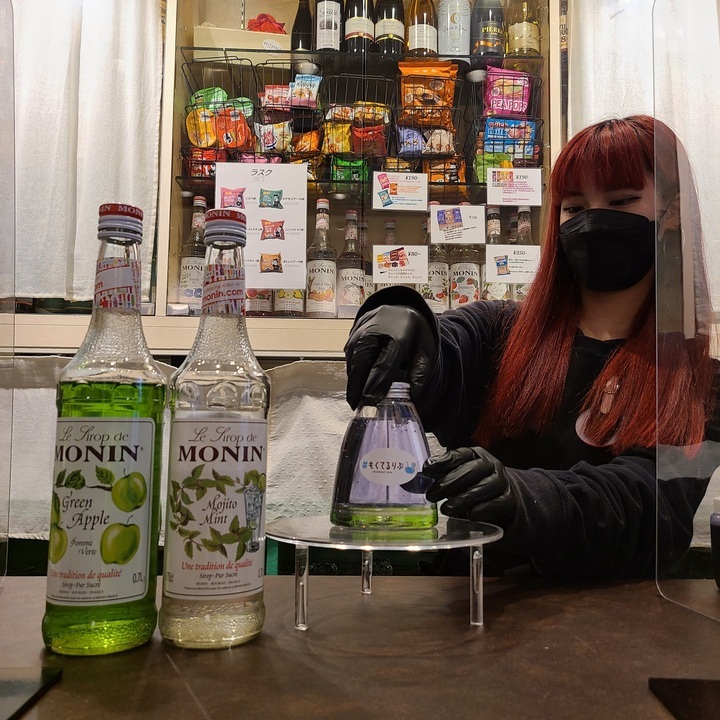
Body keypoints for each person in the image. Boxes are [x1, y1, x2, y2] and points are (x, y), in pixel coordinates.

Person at [344, 115, 719, 580]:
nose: (592, 221)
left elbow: (650, 511)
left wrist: (527, 499)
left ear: (673, 211)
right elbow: (444, 348)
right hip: (471, 603)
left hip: (616, 618)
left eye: (622, 200)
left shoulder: (700, 382)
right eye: (574, 207)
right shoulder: (499, 333)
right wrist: (401, 316)